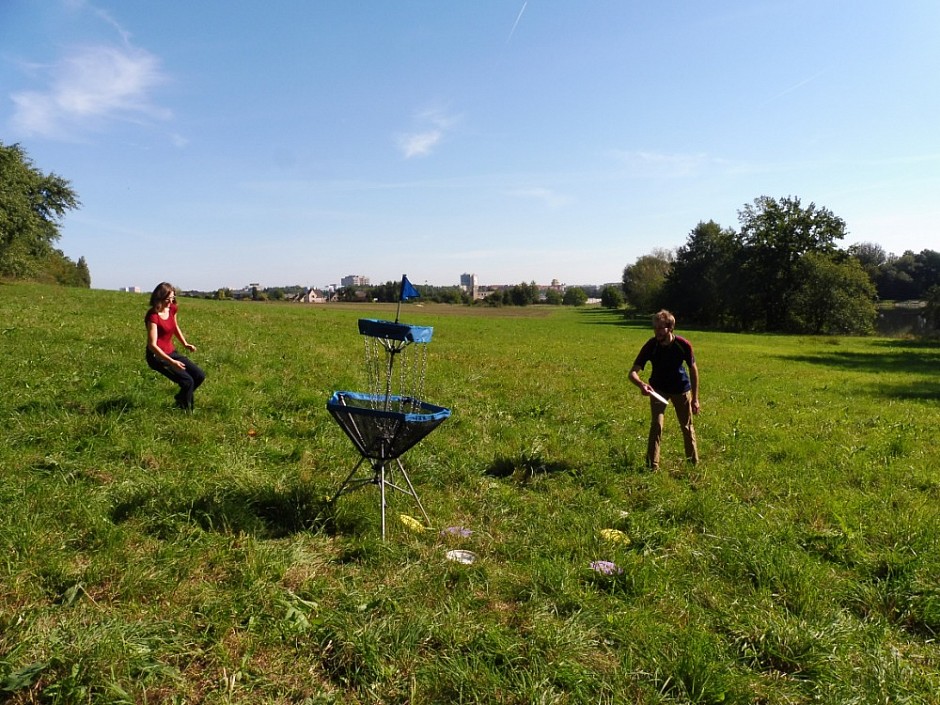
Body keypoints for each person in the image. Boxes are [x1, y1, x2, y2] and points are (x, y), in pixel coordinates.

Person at [628, 309, 699, 470]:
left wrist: (695, 398)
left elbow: (693, 370)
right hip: (658, 390)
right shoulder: (651, 345)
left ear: (670, 328)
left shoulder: (683, 345)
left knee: (687, 427)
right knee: (656, 425)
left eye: (660, 328)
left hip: (681, 390)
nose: (657, 331)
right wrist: (641, 384)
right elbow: (632, 373)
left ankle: (693, 464)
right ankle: (652, 466)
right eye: (655, 328)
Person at [145, 282, 205, 411]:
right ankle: (186, 412)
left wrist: (185, 343)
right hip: (157, 357)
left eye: (172, 298)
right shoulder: (153, 316)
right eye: (167, 299)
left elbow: (175, 326)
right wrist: (172, 362)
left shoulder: (172, 308)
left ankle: (180, 398)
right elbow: (152, 345)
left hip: (171, 351)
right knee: (188, 382)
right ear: (158, 298)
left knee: (199, 375)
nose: (170, 302)